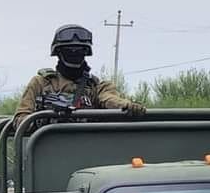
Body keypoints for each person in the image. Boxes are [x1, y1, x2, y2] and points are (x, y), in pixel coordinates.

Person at [14, 25, 146, 127]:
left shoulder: (95, 87)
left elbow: (109, 99)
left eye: (80, 51)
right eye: (69, 50)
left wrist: (126, 106)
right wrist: (40, 120)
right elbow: (21, 119)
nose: (75, 54)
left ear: (86, 53)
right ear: (59, 53)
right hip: (46, 150)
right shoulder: (41, 83)